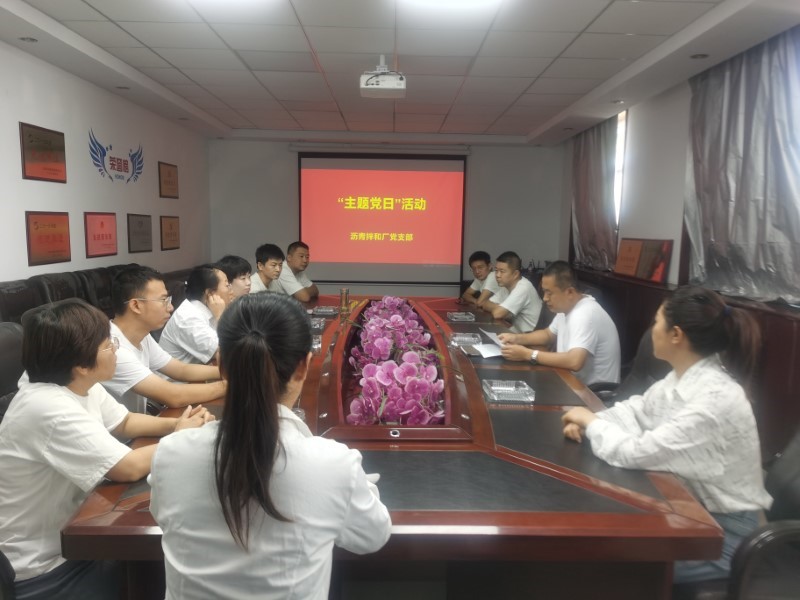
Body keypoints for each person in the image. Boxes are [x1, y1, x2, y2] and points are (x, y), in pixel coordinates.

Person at [149, 293, 392, 599]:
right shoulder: (333, 464)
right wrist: (357, 483)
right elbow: (372, 537)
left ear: (222, 365)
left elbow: (160, 514)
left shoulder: (171, 452)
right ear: (304, 366)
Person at [0, 298, 213, 600]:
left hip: (77, 534)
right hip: (45, 567)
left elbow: (125, 421)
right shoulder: (47, 406)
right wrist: (181, 435)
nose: (116, 349)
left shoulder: (76, 382)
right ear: (80, 363)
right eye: (108, 344)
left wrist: (177, 423)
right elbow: (128, 467)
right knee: (164, 566)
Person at [561, 286, 772, 584]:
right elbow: (637, 410)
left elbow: (635, 453)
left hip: (723, 536)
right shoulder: (683, 376)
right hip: (689, 509)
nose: (652, 331)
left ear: (676, 334)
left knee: (609, 567)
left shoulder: (714, 400)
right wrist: (592, 421)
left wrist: (590, 422)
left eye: (656, 322)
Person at [103, 266, 226, 413]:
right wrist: (230, 384)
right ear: (136, 305)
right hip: (125, 427)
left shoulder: (142, 336)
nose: (171, 307)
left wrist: (230, 370)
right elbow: (173, 396)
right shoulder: (113, 348)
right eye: (163, 300)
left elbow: (181, 370)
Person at [499, 260, 620, 386]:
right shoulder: (567, 307)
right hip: (569, 380)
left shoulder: (584, 314)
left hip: (592, 392)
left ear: (570, 292)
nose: (545, 298)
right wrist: (516, 338)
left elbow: (574, 362)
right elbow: (547, 335)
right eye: (544, 292)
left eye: (549, 293)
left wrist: (528, 354)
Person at [159, 264, 233, 364]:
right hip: (177, 374)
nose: (231, 290)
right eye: (227, 285)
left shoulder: (209, 309)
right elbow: (228, 351)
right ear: (210, 293)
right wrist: (220, 316)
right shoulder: (189, 317)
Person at [480, 251, 542, 333]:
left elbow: (497, 314)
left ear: (515, 274)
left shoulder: (523, 288)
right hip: (517, 333)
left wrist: (502, 310)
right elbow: (485, 304)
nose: (497, 275)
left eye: (502, 271)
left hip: (532, 336)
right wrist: (502, 309)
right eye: (496, 270)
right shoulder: (506, 286)